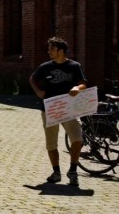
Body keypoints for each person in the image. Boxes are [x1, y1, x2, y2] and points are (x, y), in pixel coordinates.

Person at [29, 36, 87, 186]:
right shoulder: (45, 67)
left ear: (60, 51)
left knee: (77, 139)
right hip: (50, 108)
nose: (48, 51)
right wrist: (38, 92)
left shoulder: (74, 66)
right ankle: (56, 172)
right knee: (51, 143)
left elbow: (83, 83)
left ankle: (73, 171)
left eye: (51, 49)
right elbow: (32, 79)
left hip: (69, 108)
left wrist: (77, 88)